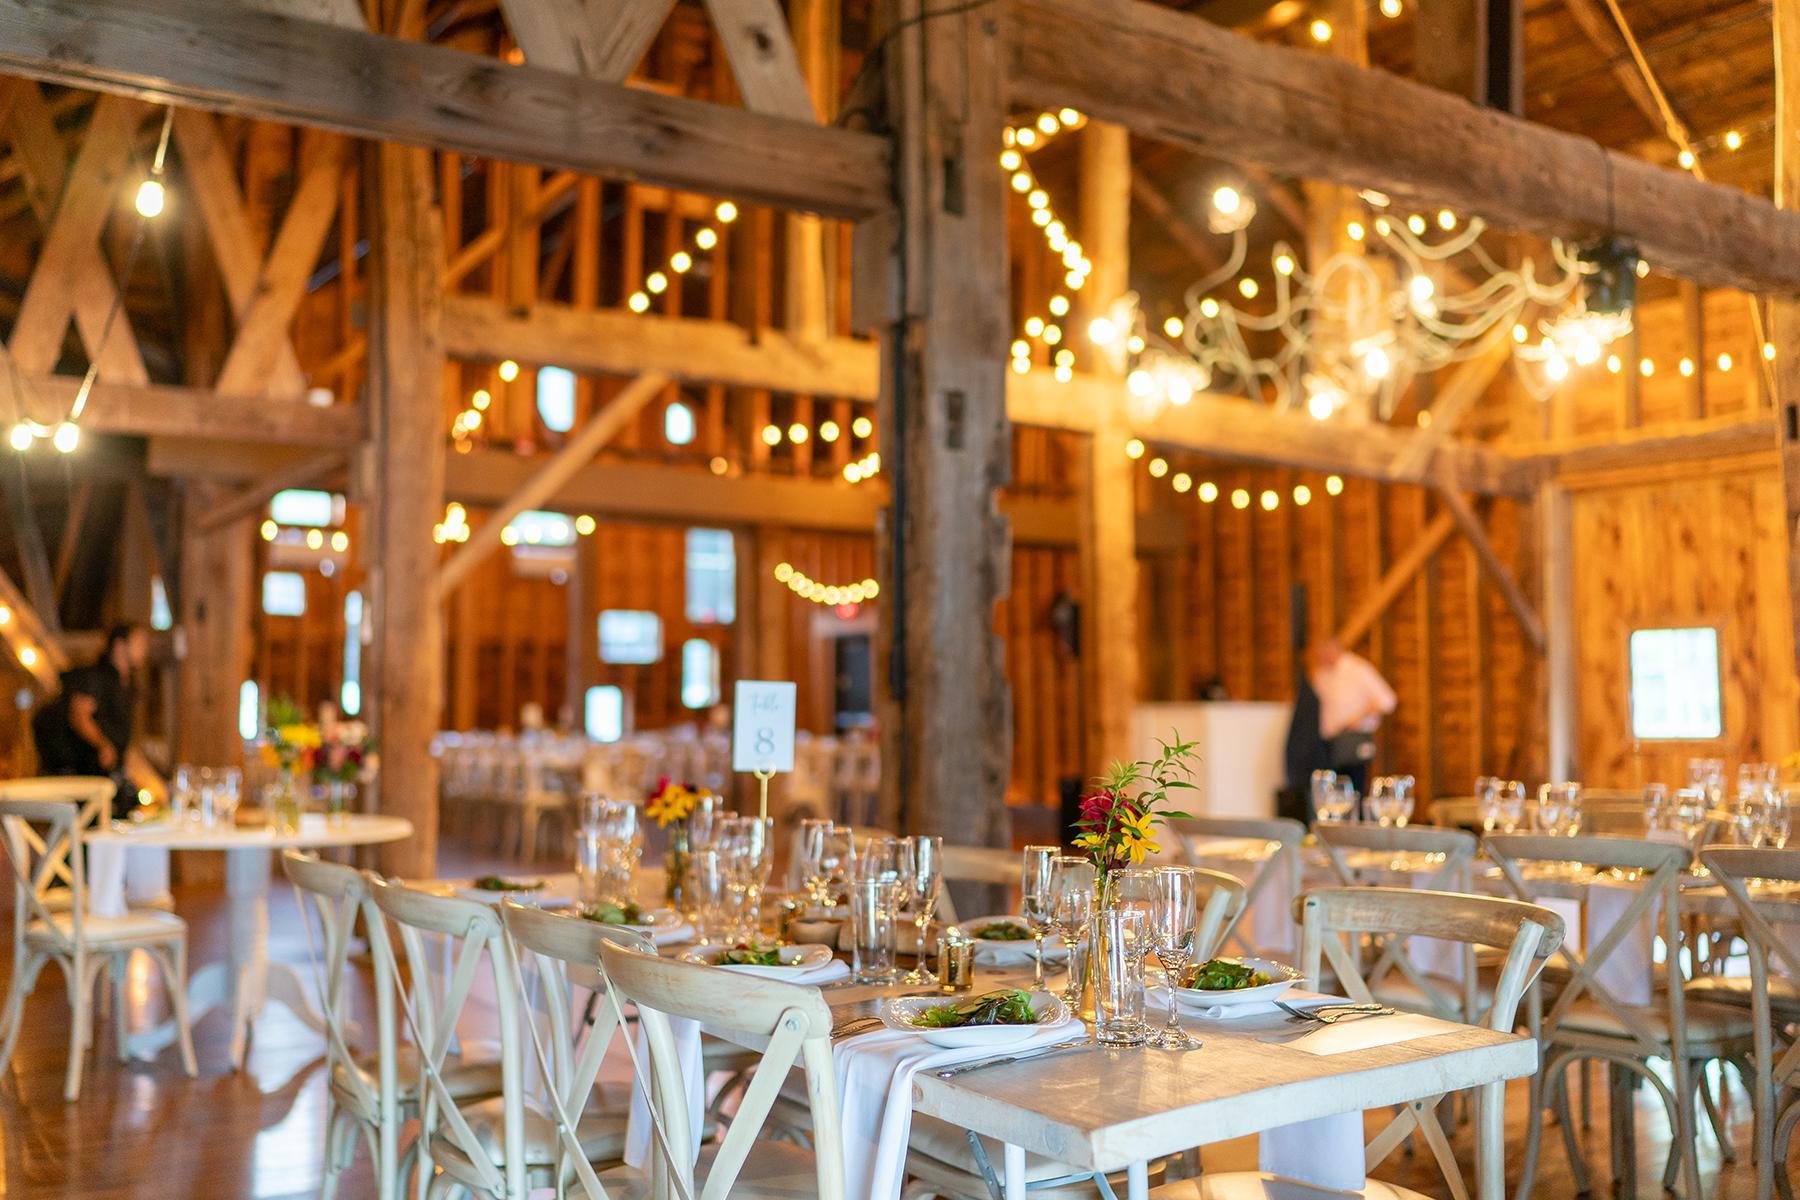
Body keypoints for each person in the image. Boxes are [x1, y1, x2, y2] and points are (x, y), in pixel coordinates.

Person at [31, 623, 149, 818]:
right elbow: (79, 716)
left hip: (107, 774)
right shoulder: (94, 676)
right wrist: (103, 745)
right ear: (120, 645)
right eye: (139, 642)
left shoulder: (127, 684)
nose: (144, 648)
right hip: (82, 772)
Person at [1308, 637, 1396, 798]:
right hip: (1330, 741)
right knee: (1331, 790)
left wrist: (1357, 718)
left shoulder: (1358, 670)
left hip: (1353, 738)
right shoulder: (1323, 674)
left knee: (1354, 788)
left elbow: (1387, 701)